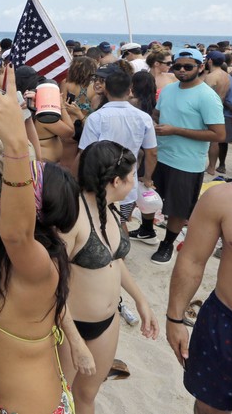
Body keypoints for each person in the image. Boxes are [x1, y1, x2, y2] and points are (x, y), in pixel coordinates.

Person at [0, 64, 78, 414]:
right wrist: (18, 117)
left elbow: (16, 230)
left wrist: (15, 142)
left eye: (31, 181)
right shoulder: (2, 246)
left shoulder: (37, 262)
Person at [63, 141, 159, 413]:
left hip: (107, 322)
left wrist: (140, 300)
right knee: (61, 397)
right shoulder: (72, 218)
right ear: (116, 181)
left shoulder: (111, 209)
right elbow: (51, 286)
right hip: (72, 326)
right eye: (132, 179)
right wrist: (75, 341)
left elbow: (114, 261)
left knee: (87, 394)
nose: (134, 184)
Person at [144, 48, 225, 264]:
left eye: (188, 66)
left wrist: (175, 130)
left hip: (187, 163)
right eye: (177, 66)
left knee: (177, 209)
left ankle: (167, 245)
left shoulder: (207, 96)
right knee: (148, 197)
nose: (181, 70)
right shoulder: (170, 90)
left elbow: (219, 134)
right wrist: (152, 122)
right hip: (160, 156)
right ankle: (146, 230)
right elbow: (158, 114)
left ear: (200, 67)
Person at [166, 180, 232, 414]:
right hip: (224, 322)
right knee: (208, 408)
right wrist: (175, 318)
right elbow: (192, 260)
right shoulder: (223, 198)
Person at [78, 69, 157, 223]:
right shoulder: (144, 117)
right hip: (127, 183)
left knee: (97, 224)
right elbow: (152, 152)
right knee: (120, 224)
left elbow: (84, 153)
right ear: (129, 91)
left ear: (106, 90)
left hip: (98, 183)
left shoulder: (96, 117)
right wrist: (147, 178)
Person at [203, 51, 230, 176]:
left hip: (210, 109)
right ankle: (212, 167)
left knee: (209, 140)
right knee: (215, 141)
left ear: (210, 61)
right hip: (220, 108)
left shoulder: (211, 76)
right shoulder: (226, 75)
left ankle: (210, 167)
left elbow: (204, 96)